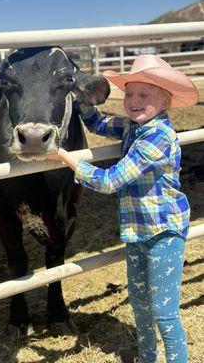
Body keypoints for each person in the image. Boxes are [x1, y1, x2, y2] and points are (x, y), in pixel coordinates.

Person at [47, 55, 199, 363]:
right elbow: (99, 122)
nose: (134, 101)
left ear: (166, 101)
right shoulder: (134, 126)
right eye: (129, 94)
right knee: (140, 303)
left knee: (164, 312)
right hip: (137, 231)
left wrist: (66, 158)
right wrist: (82, 99)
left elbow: (109, 181)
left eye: (144, 95)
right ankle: (147, 356)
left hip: (163, 233)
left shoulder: (157, 137)